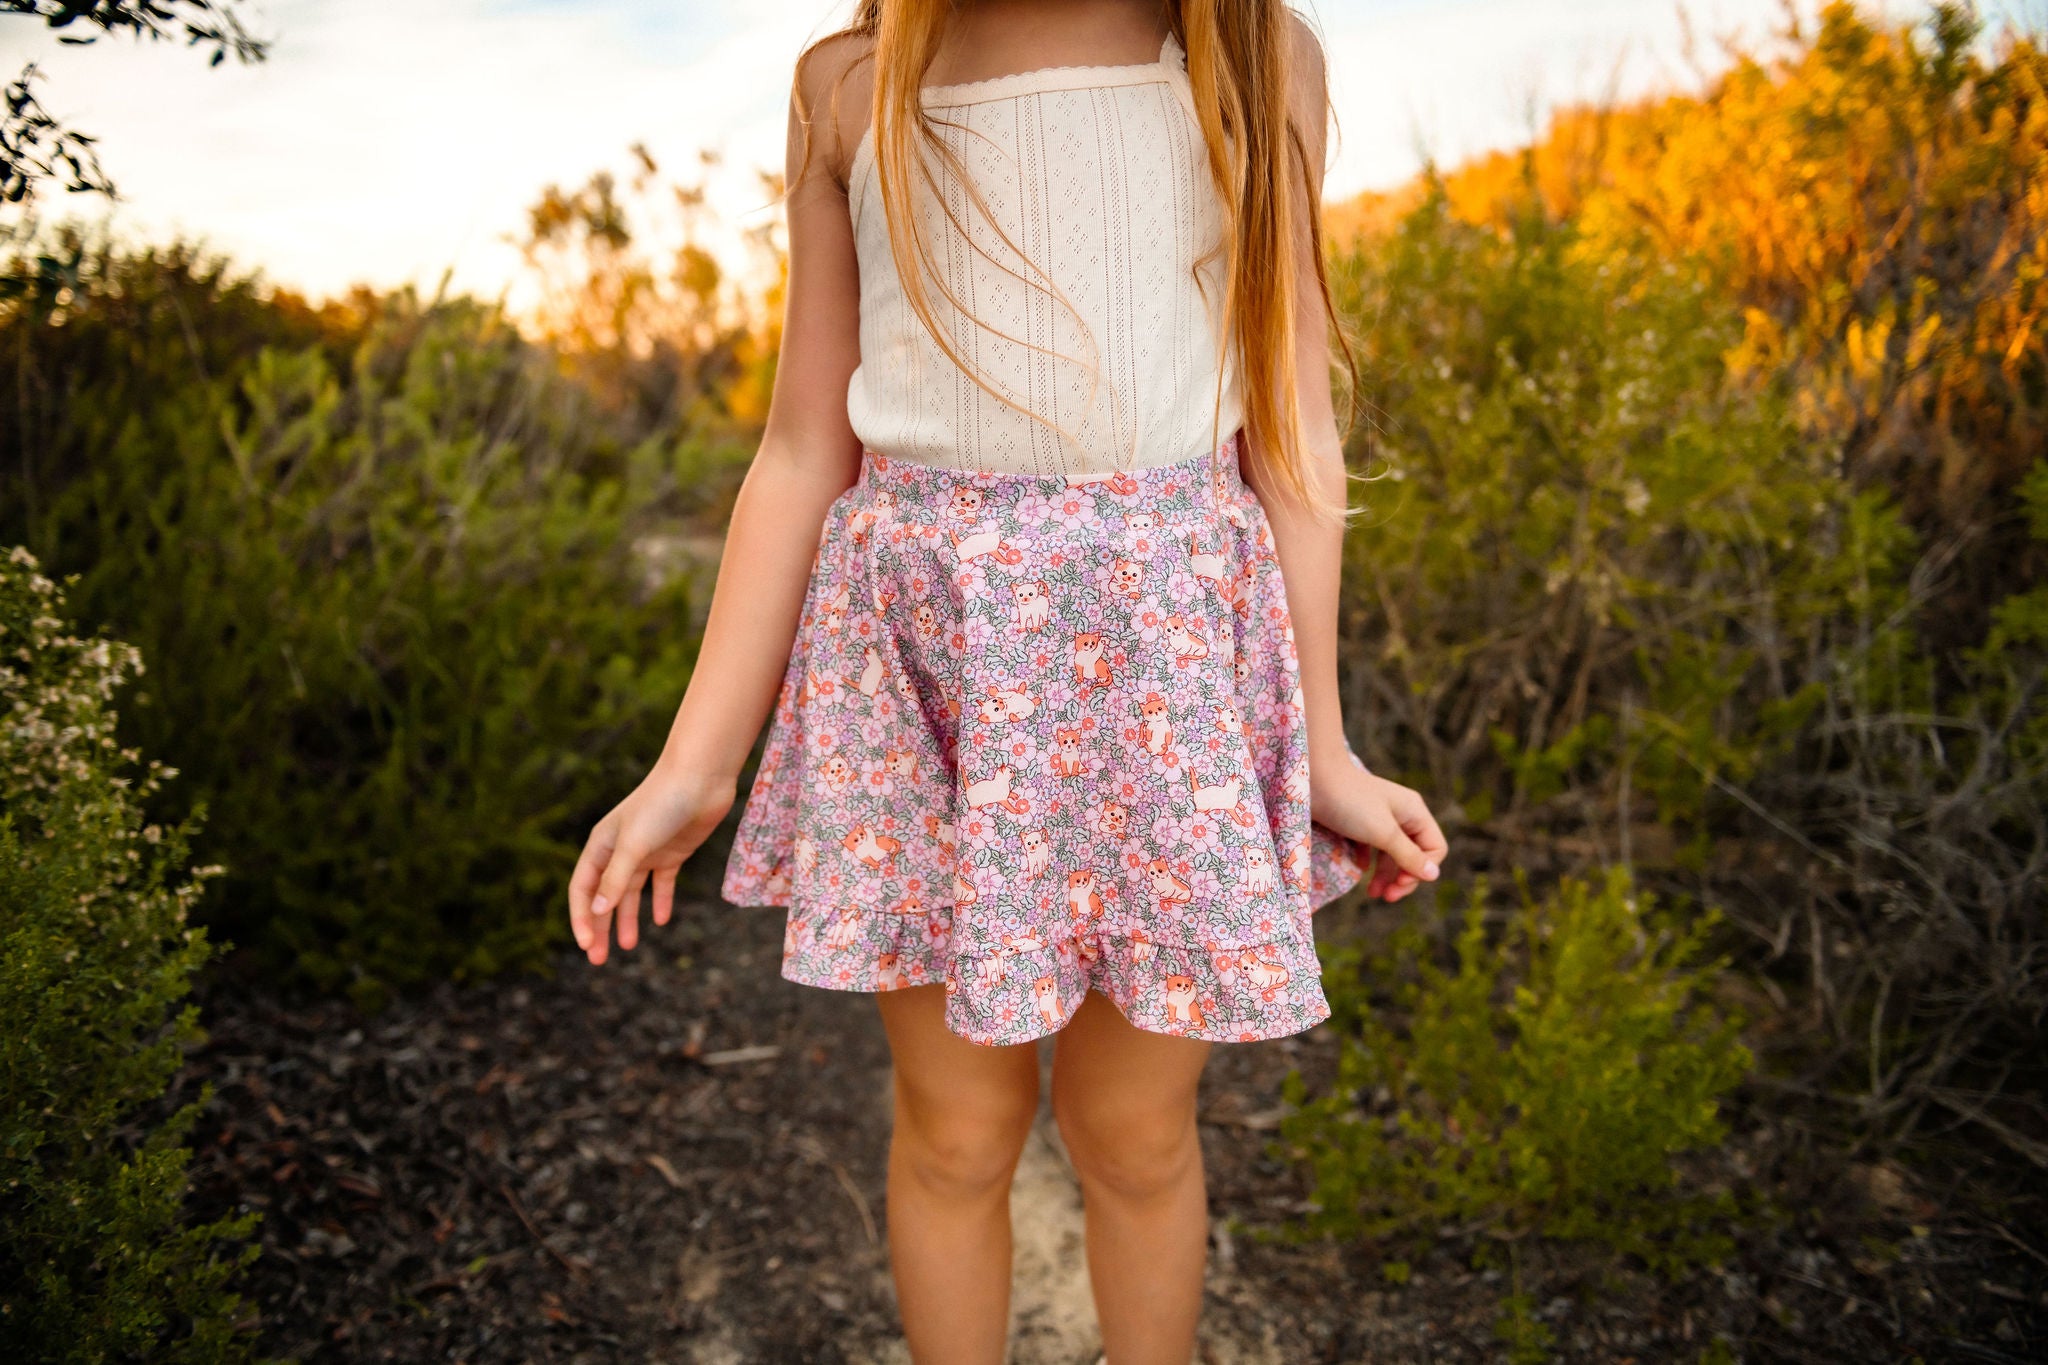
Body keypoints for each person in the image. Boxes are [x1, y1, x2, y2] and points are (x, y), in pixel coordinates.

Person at [567, 2, 1448, 1360]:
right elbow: (805, 446)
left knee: (1135, 1128)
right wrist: (696, 761)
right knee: (958, 1128)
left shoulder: (1252, 59)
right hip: (931, 673)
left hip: (1164, 685)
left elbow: (1295, 427)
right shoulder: (852, 84)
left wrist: (1323, 742)